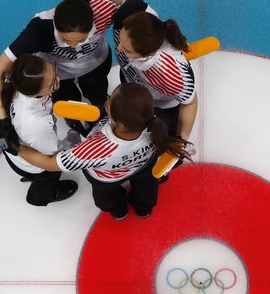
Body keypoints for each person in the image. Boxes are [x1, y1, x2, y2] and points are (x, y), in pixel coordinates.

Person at [15, 83, 189, 220]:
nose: (108, 97)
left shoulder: (95, 150)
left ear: (118, 122)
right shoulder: (159, 125)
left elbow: (50, 164)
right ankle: (144, 209)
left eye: (110, 98)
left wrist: (15, 147)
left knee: (107, 199)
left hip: (106, 178)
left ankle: (118, 212)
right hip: (143, 167)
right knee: (146, 190)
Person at [0, 0, 128, 113]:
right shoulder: (39, 30)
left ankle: (100, 107)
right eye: (65, 39)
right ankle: (75, 118)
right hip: (58, 76)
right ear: (55, 22)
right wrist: (1, 117)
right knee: (67, 99)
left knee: (97, 91)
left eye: (82, 39)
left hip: (96, 64)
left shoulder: (103, 11)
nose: (73, 45)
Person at [0, 53, 79, 205]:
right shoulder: (36, 123)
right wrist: (73, 137)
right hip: (32, 164)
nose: (58, 80)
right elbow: (53, 154)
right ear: (32, 94)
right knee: (51, 174)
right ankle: (40, 197)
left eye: (55, 72)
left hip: (17, 150)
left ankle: (32, 179)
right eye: (52, 84)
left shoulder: (22, 82)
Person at [110, 0, 199, 141]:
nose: (118, 49)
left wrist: (182, 138)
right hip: (132, 81)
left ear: (148, 54)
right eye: (120, 41)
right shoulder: (132, 15)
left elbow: (190, 103)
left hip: (162, 105)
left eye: (127, 50)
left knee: (163, 137)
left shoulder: (171, 76)